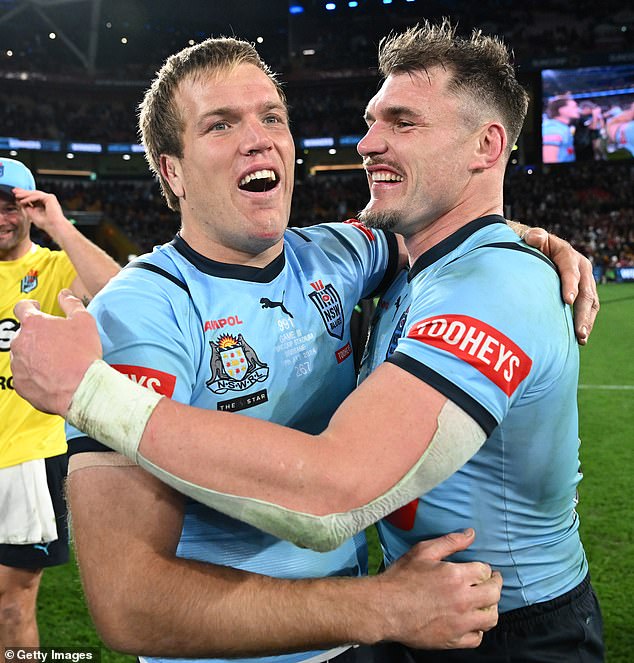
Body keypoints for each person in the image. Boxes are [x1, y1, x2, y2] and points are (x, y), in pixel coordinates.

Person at [9, 32, 600, 662]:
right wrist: (378, 608)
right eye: (219, 124)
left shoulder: (341, 253)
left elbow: (446, 234)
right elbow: (130, 602)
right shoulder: (139, 312)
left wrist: (518, 241)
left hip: (382, 636)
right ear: (171, 171)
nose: (259, 137)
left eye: (272, 117)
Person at [0, 157, 120, 658]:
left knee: (11, 603)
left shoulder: (52, 268)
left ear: (30, 207)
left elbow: (117, 292)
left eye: (11, 205)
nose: (1, 217)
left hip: (26, 456)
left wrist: (58, 224)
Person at [542, 94, 580, 163]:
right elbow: (549, 160)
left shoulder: (561, 127)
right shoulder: (553, 129)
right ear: (562, 110)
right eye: (574, 107)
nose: (578, 109)